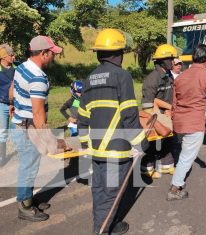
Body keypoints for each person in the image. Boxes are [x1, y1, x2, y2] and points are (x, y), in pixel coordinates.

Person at [77, 28, 149, 235]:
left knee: (99, 192)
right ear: (120, 53)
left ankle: (112, 223)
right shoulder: (122, 76)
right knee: (110, 195)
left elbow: (82, 117)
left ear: (99, 54)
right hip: (115, 152)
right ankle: (101, 230)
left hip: (97, 150)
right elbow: (129, 114)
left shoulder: (89, 79)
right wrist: (141, 141)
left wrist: (85, 145)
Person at [10, 35, 62, 221]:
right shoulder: (38, 77)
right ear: (43, 53)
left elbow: (12, 88)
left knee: (30, 164)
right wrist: (50, 141)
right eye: (52, 53)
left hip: (19, 123)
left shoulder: (22, 66)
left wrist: (13, 103)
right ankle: (25, 207)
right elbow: (38, 114)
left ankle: (29, 199)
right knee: (29, 167)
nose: (54, 56)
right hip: (28, 128)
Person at [167, 44, 206, 200]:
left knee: (183, 153)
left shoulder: (180, 77)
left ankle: (177, 179)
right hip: (194, 123)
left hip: (179, 122)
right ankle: (175, 189)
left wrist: (173, 119)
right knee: (187, 157)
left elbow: (174, 103)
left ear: (193, 58)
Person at [141, 44, 178, 178]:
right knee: (152, 142)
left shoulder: (168, 76)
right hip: (155, 116)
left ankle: (165, 165)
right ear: (162, 60)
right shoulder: (152, 79)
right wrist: (161, 117)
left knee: (167, 141)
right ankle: (146, 167)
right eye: (170, 58)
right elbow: (147, 106)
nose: (173, 61)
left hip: (166, 115)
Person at [0, 44, 15, 166]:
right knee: (2, 132)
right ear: (3, 57)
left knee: (19, 131)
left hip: (16, 105)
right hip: (2, 106)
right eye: (11, 55)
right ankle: (2, 158)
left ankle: (21, 155)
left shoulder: (17, 68)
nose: (13, 57)